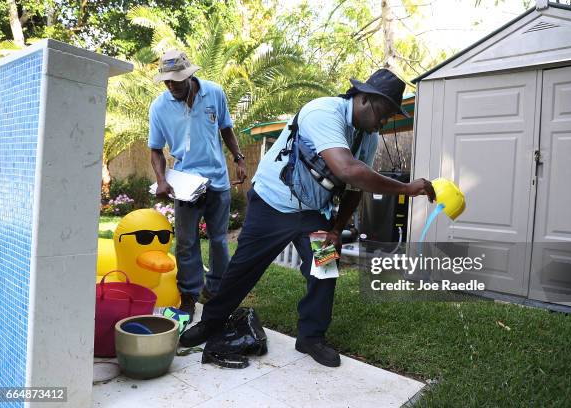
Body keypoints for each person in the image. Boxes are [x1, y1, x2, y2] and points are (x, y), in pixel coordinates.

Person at [180, 68, 435, 367]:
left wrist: (337, 229)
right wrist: (406, 188)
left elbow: (355, 187)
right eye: (384, 112)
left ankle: (311, 337)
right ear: (365, 99)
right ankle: (211, 322)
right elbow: (348, 170)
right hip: (273, 202)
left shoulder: (368, 138)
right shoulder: (323, 112)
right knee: (243, 268)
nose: (384, 121)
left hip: (314, 213)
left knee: (324, 269)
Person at [148, 49, 246, 320]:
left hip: (217, 180)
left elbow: (226, 128)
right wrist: (160, 180)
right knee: (186, 242)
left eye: (176, 80)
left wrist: (238, 157)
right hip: (185, 183)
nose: (171, 85)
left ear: (189, 75)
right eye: (167, 81)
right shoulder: (159, 107)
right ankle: (189, 296)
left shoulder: (214, 93)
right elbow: (155, 149)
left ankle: (216, 291)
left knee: (218, 241)